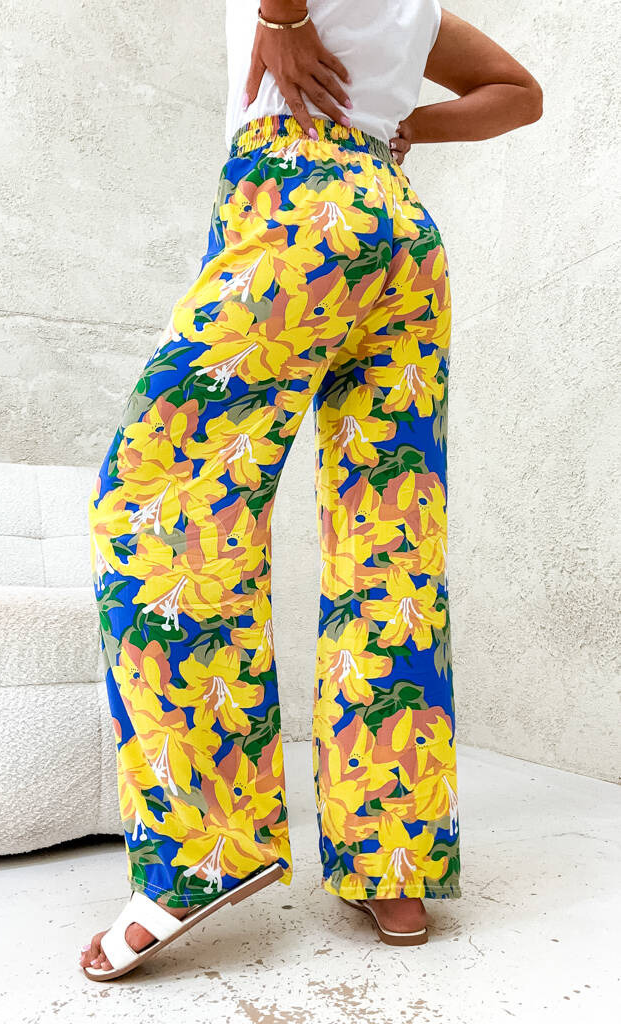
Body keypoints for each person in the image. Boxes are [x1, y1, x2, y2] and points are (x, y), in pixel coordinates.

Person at [80, 0, 542, 980]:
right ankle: (392, 859)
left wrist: (281, 16)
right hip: (400, 234)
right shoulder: (417, 8)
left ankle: (205, 851)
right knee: (390, 541)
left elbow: (511, 94)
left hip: (296, 207)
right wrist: (404, 127)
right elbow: (517, 95)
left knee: (160, 491)